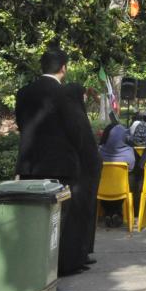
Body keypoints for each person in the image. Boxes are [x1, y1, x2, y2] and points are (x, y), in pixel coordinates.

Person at [14, 49, 87, 291]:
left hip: (29, 166)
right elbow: (75, 129)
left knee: (33, 226)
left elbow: (21, 125)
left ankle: (29, 282)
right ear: (63, 68)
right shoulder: (63, 93)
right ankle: (49, 286)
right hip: (59, 168)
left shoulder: (24, 93)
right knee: (55, 228)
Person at [62, 83, 101, 266]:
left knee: (82, 217)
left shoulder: (74, 113)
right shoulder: (76, 115)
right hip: (82, 174)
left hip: (83, 174)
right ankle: (75, 257)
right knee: (78, 218)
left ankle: (81, 254)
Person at [98, 115, 137, 228]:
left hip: (102, 191)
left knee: (104, 183)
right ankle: (116, 213)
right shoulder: (129, 152)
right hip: (121, 190)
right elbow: (132, 168)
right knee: (129, 180)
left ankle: (108, 213)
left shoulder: (100, 151)